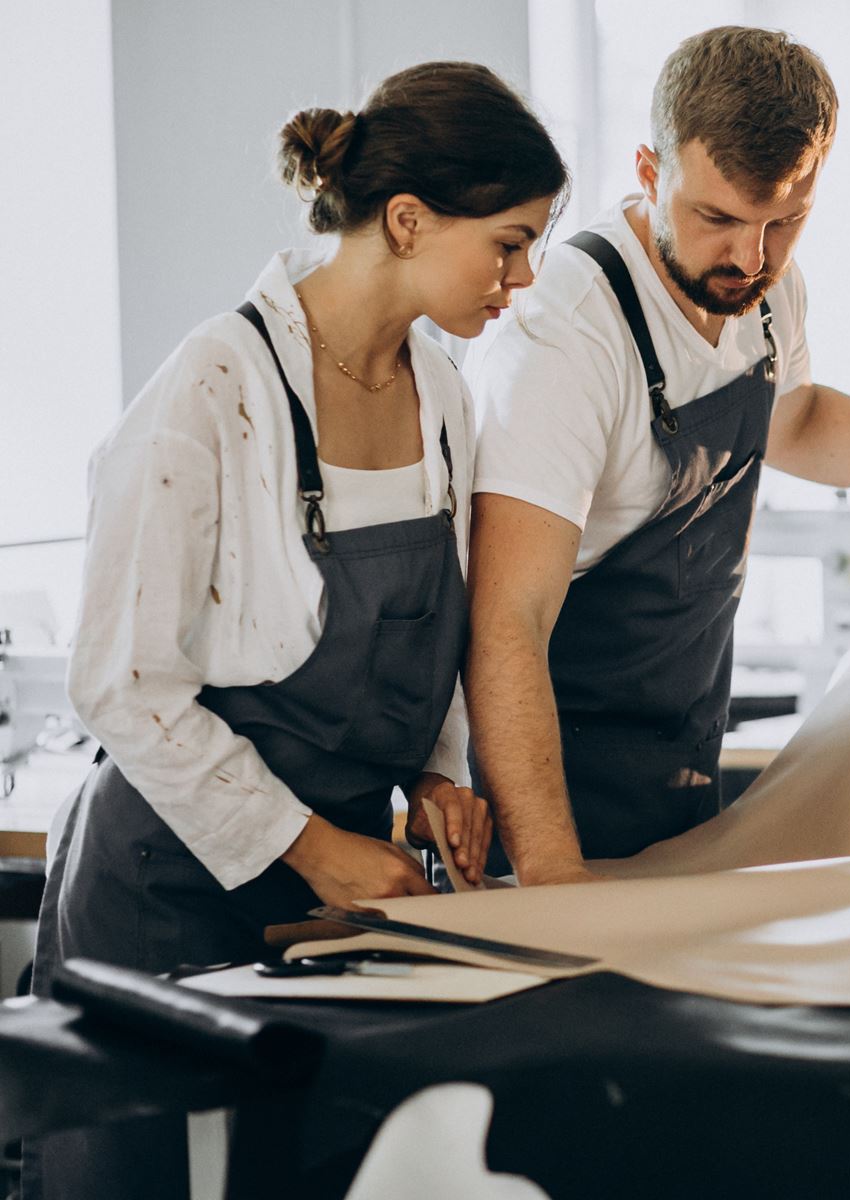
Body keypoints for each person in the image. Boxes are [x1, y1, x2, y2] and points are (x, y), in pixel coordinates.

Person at [26, 60, 566, 1199]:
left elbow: (434, 626)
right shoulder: (212, 388)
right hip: (168, 887)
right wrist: (315, 844)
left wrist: (436, 771)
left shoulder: (444, 394)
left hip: (326, 900)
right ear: (408, 221)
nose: (523, 279)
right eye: (509, 244)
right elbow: (120, 685)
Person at [466, 26, 850, 886]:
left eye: (785, 222)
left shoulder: (765, 292)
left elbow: (798, 424)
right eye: (717, 219)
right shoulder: (569, 332)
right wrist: (550, 874)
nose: (749, 258)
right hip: (542, 790)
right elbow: (507, 624)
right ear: (649, 173)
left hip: (677, 759)